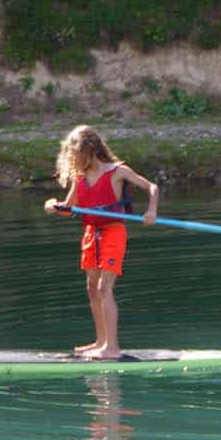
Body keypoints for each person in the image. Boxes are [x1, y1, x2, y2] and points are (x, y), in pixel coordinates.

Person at [43, 125, 159, 360]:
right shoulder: (80, 176)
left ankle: (112, 347)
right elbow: (69, 208)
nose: (73, 161)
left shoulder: (118, 171)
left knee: (104, 288)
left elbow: (151, 187)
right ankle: (100, 340)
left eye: (76, 155)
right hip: (90, 233)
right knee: (91, 288)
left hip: (113, 232)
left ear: (91, 150)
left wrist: (151, 211)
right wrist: (54, 207)